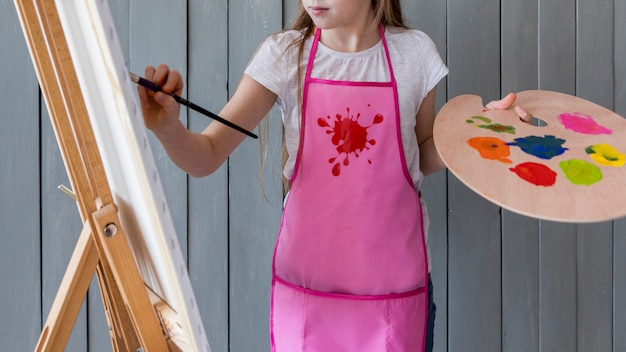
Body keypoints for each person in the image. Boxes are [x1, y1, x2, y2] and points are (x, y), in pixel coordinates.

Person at [138, 1, 530, 351]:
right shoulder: (284, 55)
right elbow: (206, 156)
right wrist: (167, 128)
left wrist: (477, 133)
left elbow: (421, 154)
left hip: (396, 295)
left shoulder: (414, 54)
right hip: (307, 297)